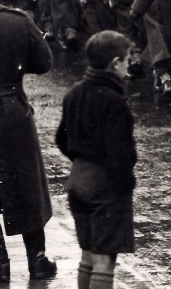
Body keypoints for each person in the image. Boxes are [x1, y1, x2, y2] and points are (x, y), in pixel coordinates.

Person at [55, 31, 137, 289]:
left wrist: (82, 159)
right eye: (126, 60)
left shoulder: (75, 93)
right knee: (104, 262)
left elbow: (61, 139)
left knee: (88, 255)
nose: (128, 66)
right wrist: (124, 186)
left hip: (78, 180)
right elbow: (120, 155)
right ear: (114, 63)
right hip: (106, 186)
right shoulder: (114, 101)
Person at [0, 2, 57, 283]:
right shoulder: (18, 20)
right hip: (13, 108)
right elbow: (44, 62)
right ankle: (37, 260)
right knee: (26, 184)